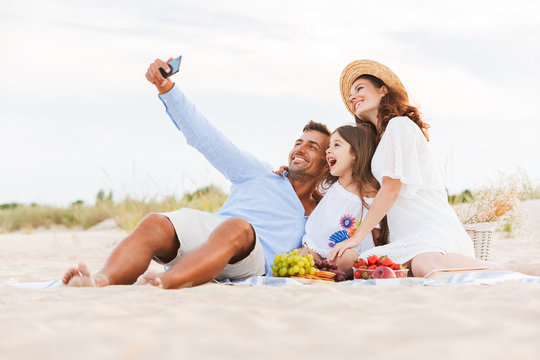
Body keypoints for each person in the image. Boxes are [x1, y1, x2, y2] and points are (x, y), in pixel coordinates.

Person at [62, 57, 330, 289]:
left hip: (252, 258)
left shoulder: (322, 212)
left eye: (312, 147)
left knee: (238, 227)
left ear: (327, 162)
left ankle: (164, 282)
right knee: (156, 223)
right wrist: (166, 89)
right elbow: (208, 139)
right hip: (213, 240)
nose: (300, 149)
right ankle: (98, 281)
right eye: (298, 142)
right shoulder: (259, 174)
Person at [327, 59, 540, 277]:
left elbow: (391, 188)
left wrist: (356, 237)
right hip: (406, 238)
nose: (352, 97)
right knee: (359, 266)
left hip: (432, 229)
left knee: (424, 265)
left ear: (383, 90)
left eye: (359, 89)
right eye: (350, 95)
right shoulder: (379, 143)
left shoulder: (399, 125)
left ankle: (509, 268)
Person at [294, 124, 389, 278]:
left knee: (347, 258)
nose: (328, 150)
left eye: (336, 145)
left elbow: (375, 227)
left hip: (347, 249)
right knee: (302, 256)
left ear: (356, 154)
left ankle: (325, 273)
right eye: (328, 147)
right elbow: (313, 195)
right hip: (316, 244)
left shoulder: (369, 190)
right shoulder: (327, 183)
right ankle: (319, 271)